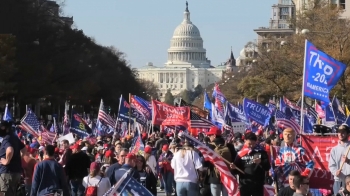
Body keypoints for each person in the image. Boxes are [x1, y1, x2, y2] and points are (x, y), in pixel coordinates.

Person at [232, 132, 270, 196]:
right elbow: (236, 170)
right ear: (245, 141)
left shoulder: (261, 152)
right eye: (249, 144)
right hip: (245, 183)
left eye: (253, 143)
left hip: (258, 184)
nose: (251, 146)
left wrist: (261, 162)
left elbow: (267, 167)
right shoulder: (240, 153)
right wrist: (233, 167)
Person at [206, 126, 237, 196]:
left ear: (214, 135)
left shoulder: (209, 146)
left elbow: (206, 163)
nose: (209, 137)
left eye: (210, 135)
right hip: (227, 175)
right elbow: (235, 159)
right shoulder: (229, 145)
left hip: (214, 176)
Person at [0, 120, 26, 195]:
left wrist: (7, 161)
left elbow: (10, 150)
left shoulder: (7, 139)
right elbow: (24, 149)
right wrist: (18, 159)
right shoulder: (14, 138)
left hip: (7, 173)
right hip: (16, 171)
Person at [329, 125, 350, 194]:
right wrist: (335, 172)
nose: (340, 134)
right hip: (339, 181)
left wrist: (348, 161)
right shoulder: (334, 150)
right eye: (339, 132)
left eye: (343, 132)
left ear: (348, 134)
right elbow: (331, 165)